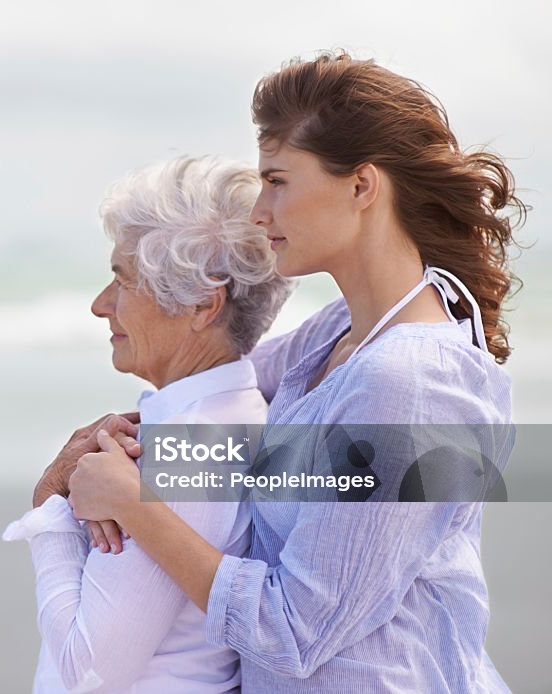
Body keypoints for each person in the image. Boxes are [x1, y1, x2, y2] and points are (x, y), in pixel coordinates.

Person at [68, 51, 525, 692]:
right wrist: (112, 440)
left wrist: (131, 502)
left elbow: (290, 632)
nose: (259, 211)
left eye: (278, 180)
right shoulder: (343, 331)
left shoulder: (409, 385)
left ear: (362, 187)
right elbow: (220, 393)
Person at [3, 155, 293, 693]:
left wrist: (48, 504)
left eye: (122, 280)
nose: (99, 305)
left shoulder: (186, 450)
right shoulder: (238, 417)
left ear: (203, 305)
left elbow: (86, 671)